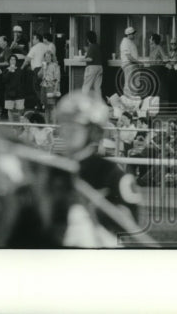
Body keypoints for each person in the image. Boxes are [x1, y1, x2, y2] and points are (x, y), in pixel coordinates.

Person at [55, 92, 142, 244]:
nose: (66, 133)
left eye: (74, 128)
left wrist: (94, 209)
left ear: (93, 132)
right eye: (64, 126)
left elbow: (129, 222)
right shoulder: (53, 167)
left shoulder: (112, 173)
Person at [39, 50, 61, 123]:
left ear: (51, 57)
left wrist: (55, 90)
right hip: (44, 86)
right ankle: (47, 125)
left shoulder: (55, 65)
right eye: (46, 57)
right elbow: (39, 76)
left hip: (51, 87)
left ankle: (54, 124)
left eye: (49, 57)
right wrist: (42, 69)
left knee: (52, 106)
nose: (47, 58)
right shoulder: (43, 65)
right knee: (46, 107)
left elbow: (57, 79)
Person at [120, 26, 141, 98]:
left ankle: (132, 101)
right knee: (129, 85)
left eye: (134, 33)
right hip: (129, 65)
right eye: (133, 34)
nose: (134, 35)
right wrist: (138, 62)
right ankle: (127, 101)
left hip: (132, 65)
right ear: (128, 34)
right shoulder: (125, 42)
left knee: (135, 84)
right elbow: (129, 56)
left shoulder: (130, 42)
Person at [82, 30, 104, 99]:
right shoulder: (97, 46)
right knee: (97, 87)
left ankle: (83, 103)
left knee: (86, 86)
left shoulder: (91, 46)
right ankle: (99, 103)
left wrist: (81, 60)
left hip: (92, 68)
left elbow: (90, 59)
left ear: (88, 39)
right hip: (100, 67)